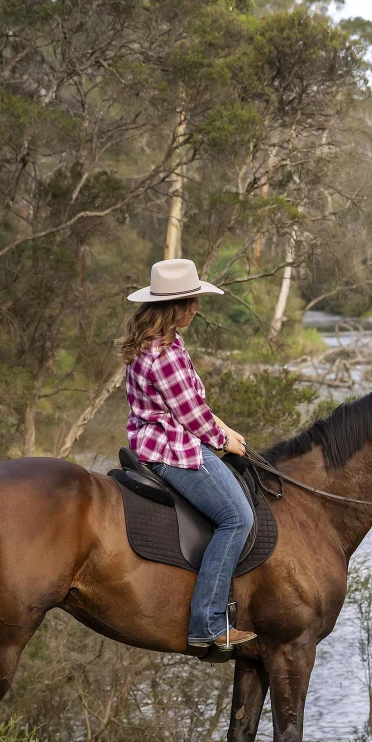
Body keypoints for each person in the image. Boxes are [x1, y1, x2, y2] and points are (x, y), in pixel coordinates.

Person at [120, 259, 257, 650]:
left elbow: (192, 403)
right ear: (175, 306)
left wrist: (227, 429)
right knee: (237, 517)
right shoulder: (163, 354)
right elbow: (192, 416)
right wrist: (221, 438)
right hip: (172, 448)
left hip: (168, 436)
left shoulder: (165, 343)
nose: (198, 308)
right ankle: (208, 623)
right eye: (192, 301)